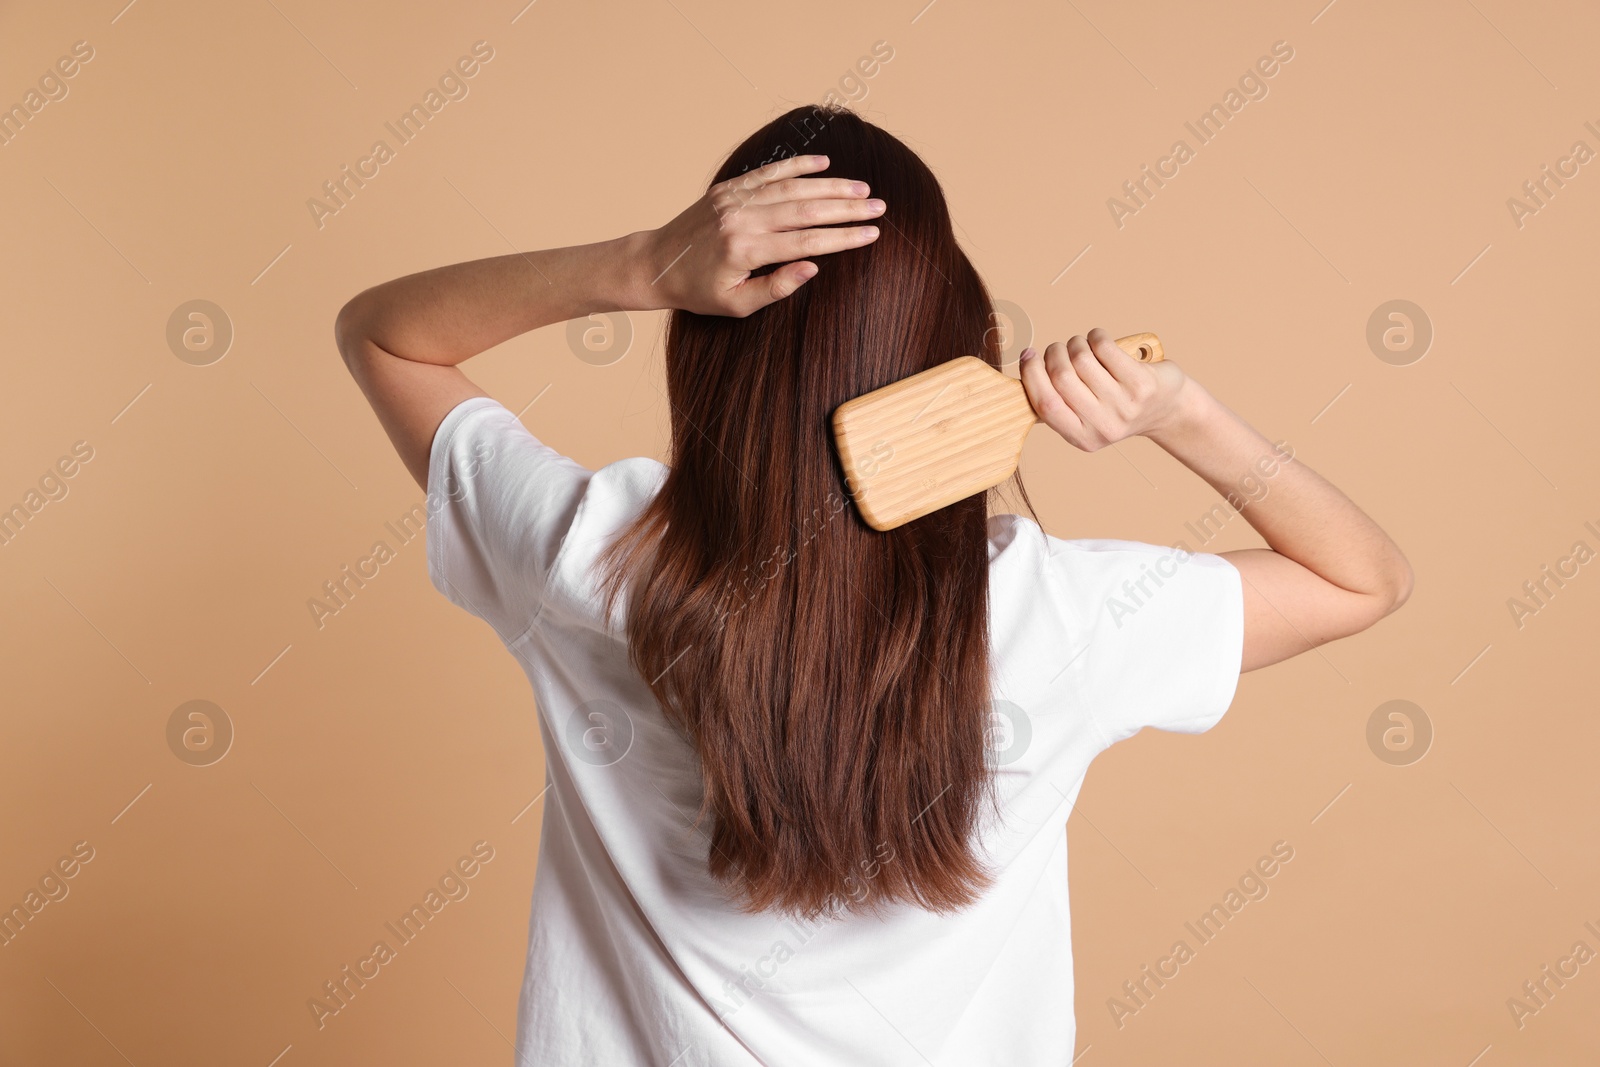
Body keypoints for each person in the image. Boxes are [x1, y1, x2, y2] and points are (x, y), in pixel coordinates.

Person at [335, 105, 1412, 1066]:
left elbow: (386, 336)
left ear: (701, 358)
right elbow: (1359, 577)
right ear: (960, 352)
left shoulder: (588, 556)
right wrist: (1180, 415)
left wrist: (641, 264)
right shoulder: (1057, 620)